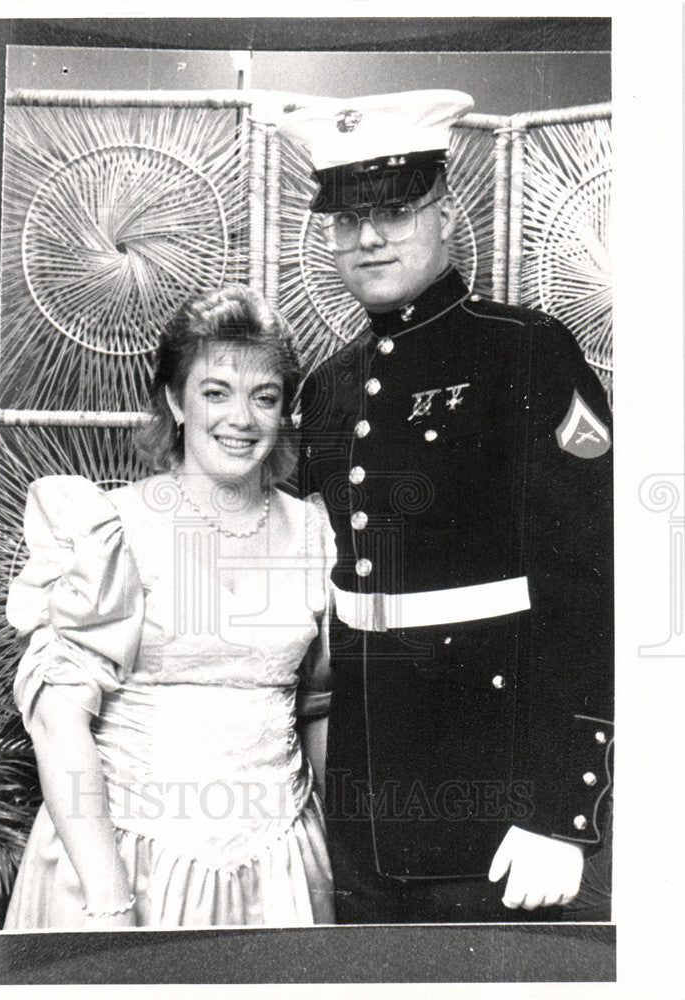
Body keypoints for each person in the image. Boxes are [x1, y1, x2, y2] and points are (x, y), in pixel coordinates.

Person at [277, 90, 613, 923]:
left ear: (447, 211)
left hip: (493, 791)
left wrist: (560, 810)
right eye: (347, 221)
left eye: (394, 210)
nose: (369, 238)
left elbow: (591, 581)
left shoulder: (524, 351)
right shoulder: (328, 386)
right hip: (361, 792)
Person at [2, 285, 335, 930]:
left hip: (281, 867)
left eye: (264, 397)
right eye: (216, 392)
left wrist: (340, 864)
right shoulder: (113, 527)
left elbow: (319, 706)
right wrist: (108, 897)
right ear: (174, 401)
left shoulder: (316, 531)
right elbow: (57, 720)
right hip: (125, 855)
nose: (241, 418)